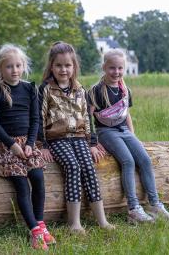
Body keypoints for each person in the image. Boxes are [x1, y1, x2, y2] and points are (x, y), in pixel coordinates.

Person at [88, 49, 169, 224]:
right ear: (104, 67)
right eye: (112, 68)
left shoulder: (125, 90)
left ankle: (155, 204)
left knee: (145, 160)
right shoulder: (95, 91)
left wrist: (132, 137)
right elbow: (87, 117)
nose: (116, 72)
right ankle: (133, 208)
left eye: (120, 68)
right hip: (105, 132)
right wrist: (93, 141)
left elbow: (126, 114)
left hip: (124, 131)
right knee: (128, 161)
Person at [38, 41, 114, 234]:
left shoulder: (80, 90)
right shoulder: (45, 89)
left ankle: (102, 220)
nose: (63, 70)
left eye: (68, 65)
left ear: (74, 67)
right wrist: (43, 144)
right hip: (56, 139)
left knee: (89, 167)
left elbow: (88, 118)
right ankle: (74, 223)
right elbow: (38, 118)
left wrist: (92, 143)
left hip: (79, 137)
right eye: (59, 65)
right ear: (51, 67)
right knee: (73, 167)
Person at [0, 44, 55, 250]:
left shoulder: (29, 88)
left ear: (24, 66)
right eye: (9, 67)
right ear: (0, 69)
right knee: (22, 185)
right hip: (7, 144)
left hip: (28, 143)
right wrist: (12, 144)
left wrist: (31, 143)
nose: (14, 70)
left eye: (18, 65)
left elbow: (35, 119)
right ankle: (34, 231)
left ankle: (41, 224)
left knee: (38, 178)